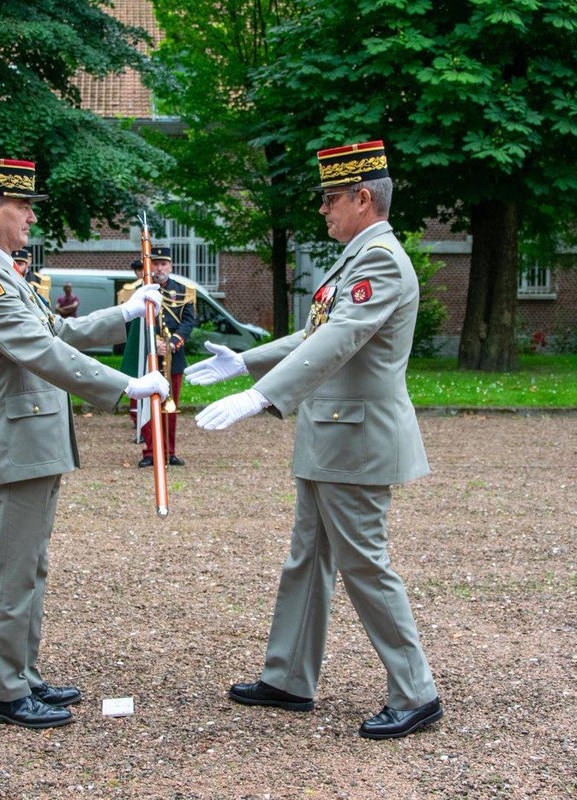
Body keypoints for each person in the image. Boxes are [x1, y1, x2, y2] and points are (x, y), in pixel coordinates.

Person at [186, 140, 442, 741]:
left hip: (355, 440)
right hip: (331, 437)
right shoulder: (355, 257)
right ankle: (290, 678)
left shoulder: (379, 260)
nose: (323, 210)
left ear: (362, 197)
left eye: (330, 199)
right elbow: (312, 333)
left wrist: (262, 396)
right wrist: (243, 363)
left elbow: (340, 340)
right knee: (309, 558)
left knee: (365, 564)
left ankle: (416, 691)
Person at [0, 157, 166, 730]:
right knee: (12, 571)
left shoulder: (4, 273)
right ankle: (3, 691)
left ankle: (23, 673)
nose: (29, 219)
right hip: (14, 443)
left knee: (31, 568)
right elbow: (43, 353)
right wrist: (126, 384)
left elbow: (60, 332)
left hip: (32, 441)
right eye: (22, 207)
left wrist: (124, 314)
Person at [136, 245, 196, 468]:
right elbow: (133, 327)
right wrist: (154, 344)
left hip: (173, 357)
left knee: (170, 406)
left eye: (163, 264)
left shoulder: (183, 291)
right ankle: (151, 451)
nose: (159, 268)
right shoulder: (140, 291)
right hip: (148, 356)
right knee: (148, 404)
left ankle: (169, 451)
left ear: (170, 266)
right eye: (156, 264)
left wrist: (172, 343)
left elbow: (188, 322)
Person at [118, 259, 146, 433]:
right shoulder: (131, 291)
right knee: (136, 379)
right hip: (136, 341)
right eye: (138, 270)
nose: (141, 273)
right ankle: (137, 419)